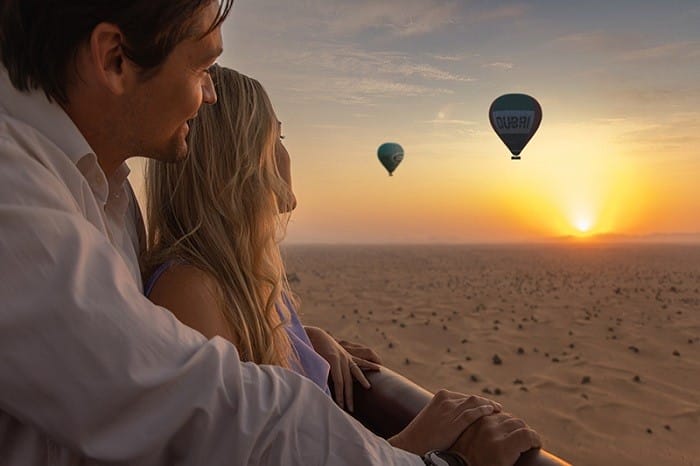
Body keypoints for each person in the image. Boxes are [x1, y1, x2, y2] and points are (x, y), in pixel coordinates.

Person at [0, 1, 541, 465]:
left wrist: (299, 338)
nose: (208, 95)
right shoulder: (18, 200)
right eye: (201, 67)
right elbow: (202, 405)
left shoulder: (105, 194)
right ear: (114, 58)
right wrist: (426, 458)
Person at [143, 66, 386, 411]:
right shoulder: (190, 291)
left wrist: (304, 342)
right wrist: (414, 448)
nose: (285, 156)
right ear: (238, 159)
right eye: (275, 139)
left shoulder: (248, 283)